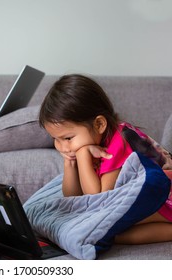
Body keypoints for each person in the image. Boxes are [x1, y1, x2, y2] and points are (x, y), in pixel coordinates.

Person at [39, 74, 172, 244]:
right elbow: (72, 196)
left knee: (110, 230)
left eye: (67, 138)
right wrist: (70, 163)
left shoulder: (119, 141)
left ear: (99, 125)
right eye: (55, 139)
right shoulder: (89, 143)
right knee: (114, 233)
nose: (63, 147)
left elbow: (98, 198)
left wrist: (82, 156)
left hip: (164, 196)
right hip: (149, 199)